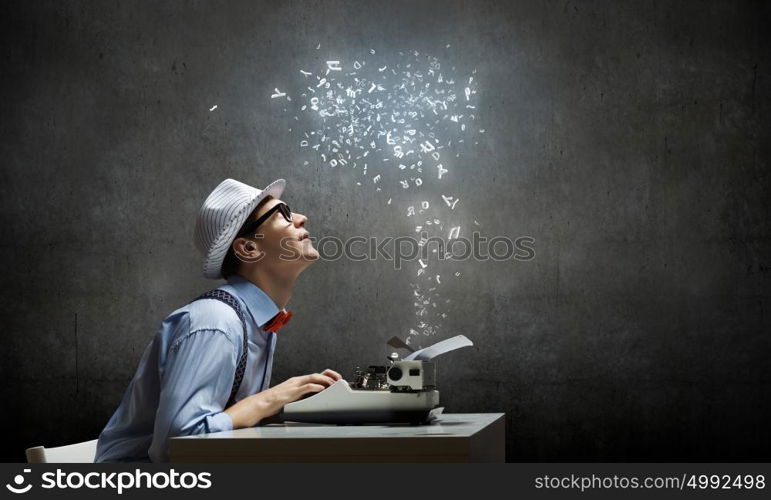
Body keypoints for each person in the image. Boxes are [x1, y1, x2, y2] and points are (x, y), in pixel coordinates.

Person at [95, 178, 341, 462]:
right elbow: (177, 446)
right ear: (248, 249)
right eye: (283, 215)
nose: (301, 218)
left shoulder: (257, 323)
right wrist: (270, 399)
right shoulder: (217, 322)